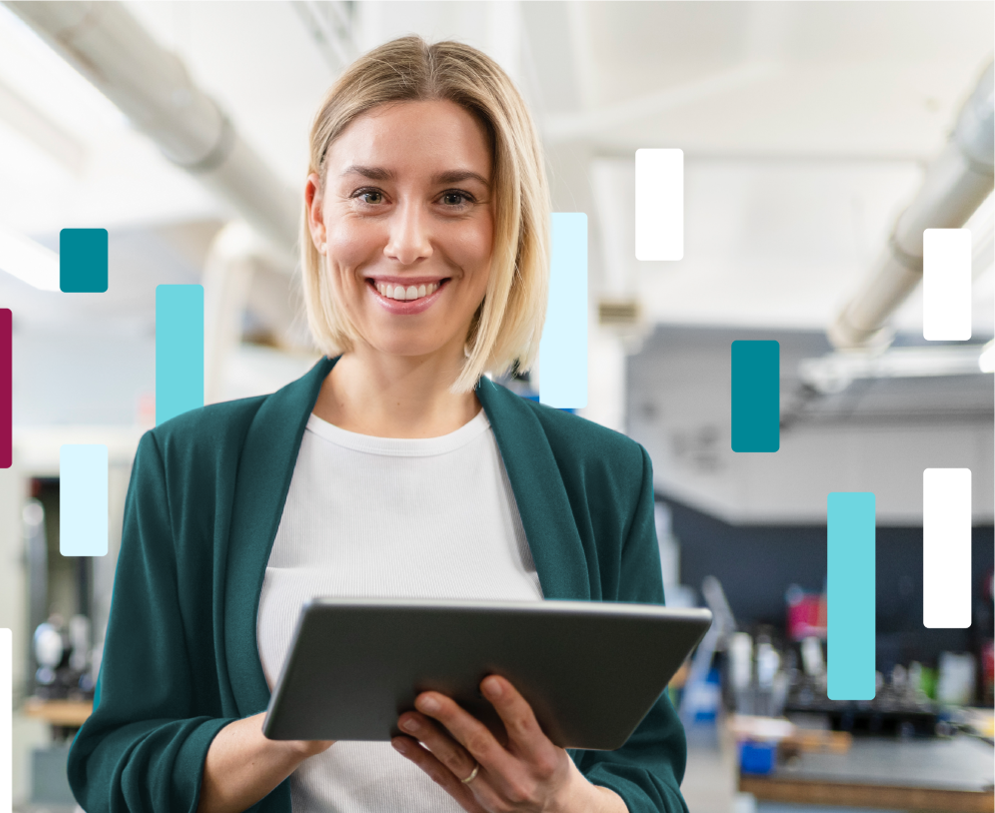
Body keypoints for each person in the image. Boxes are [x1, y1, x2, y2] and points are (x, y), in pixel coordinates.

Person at [67, 35, 685, 813]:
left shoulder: (600, 477)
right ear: (319, 212)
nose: (407, 241)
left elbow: (653, 780)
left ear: (506, 227)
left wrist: (567, 799)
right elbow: (115, 768)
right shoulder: (190, 466)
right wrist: (287, 730)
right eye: (371, 194)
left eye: (455, 197)